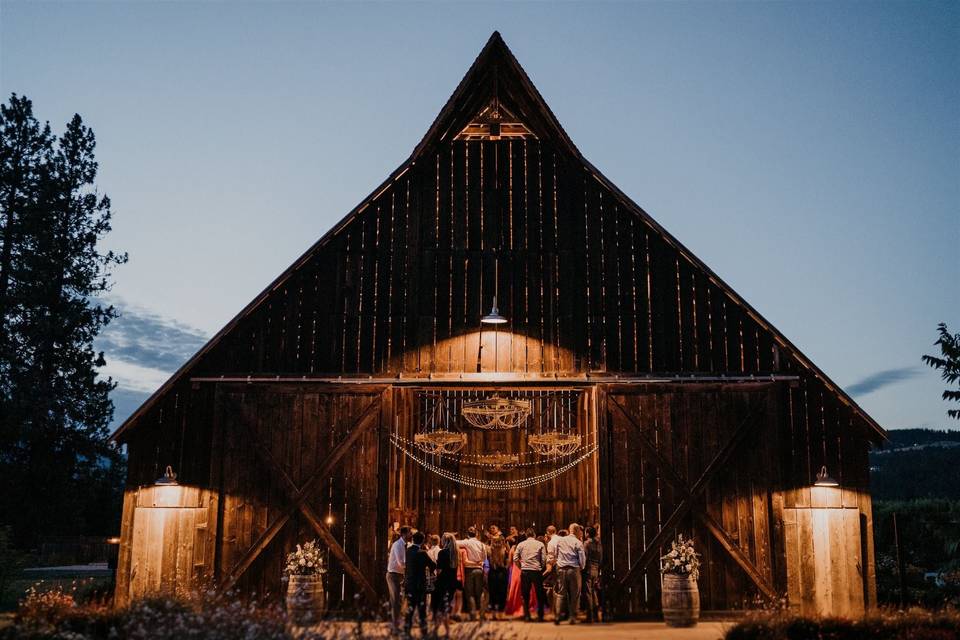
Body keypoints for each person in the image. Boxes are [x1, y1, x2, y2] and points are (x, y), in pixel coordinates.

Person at [404, 531, 436, 637]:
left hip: (409, 583)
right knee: (422, 610)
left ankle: (406, 631)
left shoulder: (408, 551)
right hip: (419, 585)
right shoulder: (422, 553)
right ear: (422, 541)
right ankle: (424, 632)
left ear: (413, 539)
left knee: (410, 609)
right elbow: (432, 565)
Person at [513, 527, 547, 622]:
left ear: (526, 535)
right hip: (536, 571)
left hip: (525, 571)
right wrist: (540, 566)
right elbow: (544, 559)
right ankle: (540, 616)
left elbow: (515, 558)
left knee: (525, 594)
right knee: (540, 594)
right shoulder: (540, 544)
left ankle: (527, 615)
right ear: (534, 535)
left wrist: (521, 567)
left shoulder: (521, 544)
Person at [553, 525, 585, 624]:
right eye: (580, 530)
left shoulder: (560, 541)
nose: (581, 532)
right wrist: (581, 567)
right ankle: (572, 617)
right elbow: (582, 559)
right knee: (575, 595)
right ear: (576, 530)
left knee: (561, 594)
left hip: (561, 569)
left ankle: (557, 616)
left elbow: (555, 554)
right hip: (573, 569)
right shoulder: (578, 542)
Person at [457, 526, 488, 620]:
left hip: (469, 570)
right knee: (479, 592)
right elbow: (485, 559)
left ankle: (473, 614)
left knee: (469, 593)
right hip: (479, 569)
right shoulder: (482, 544)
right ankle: (481, 613)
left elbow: (453, 542)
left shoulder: (467, 542)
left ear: (467, 534)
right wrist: (485, 571)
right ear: (477, 534)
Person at [432, 533, 460, 635]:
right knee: (445, 607)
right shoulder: (456, 553)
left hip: (442, 583)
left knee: (439, 607)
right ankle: (441, 630)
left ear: (445, 541)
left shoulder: (442, 553)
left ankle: (441, 630)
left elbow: (439, 570)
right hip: (452, 583)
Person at [386, 525, 412, 629]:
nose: (411, 535)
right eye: (410, 532)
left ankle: (396, 623)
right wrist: (411, 565)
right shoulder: (397, 545)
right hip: (393, 575)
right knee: (396, 600)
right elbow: (401, 563)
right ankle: (395, 625)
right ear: (404, 534)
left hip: (400, 575)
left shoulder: (406, 545)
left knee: (399, 600)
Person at [583, 526, 602, 623]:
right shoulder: (599, 543)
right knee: (594, 592)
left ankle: (589, 616)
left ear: (588, 533)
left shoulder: (587, 543)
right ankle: (596, 616)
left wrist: (583, 568)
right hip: (596, 568)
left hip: (589, 568)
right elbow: (600, 558)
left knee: (588, 593)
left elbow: (584, 557)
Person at [487, 535, 509, 619]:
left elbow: (486, 562)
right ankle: (500, 613)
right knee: (502, 594)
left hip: (492, 573)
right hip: (502, 573)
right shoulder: (505, 551)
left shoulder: (489, 551)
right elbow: (508, 564)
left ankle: (493, 613)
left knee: (492, 594)